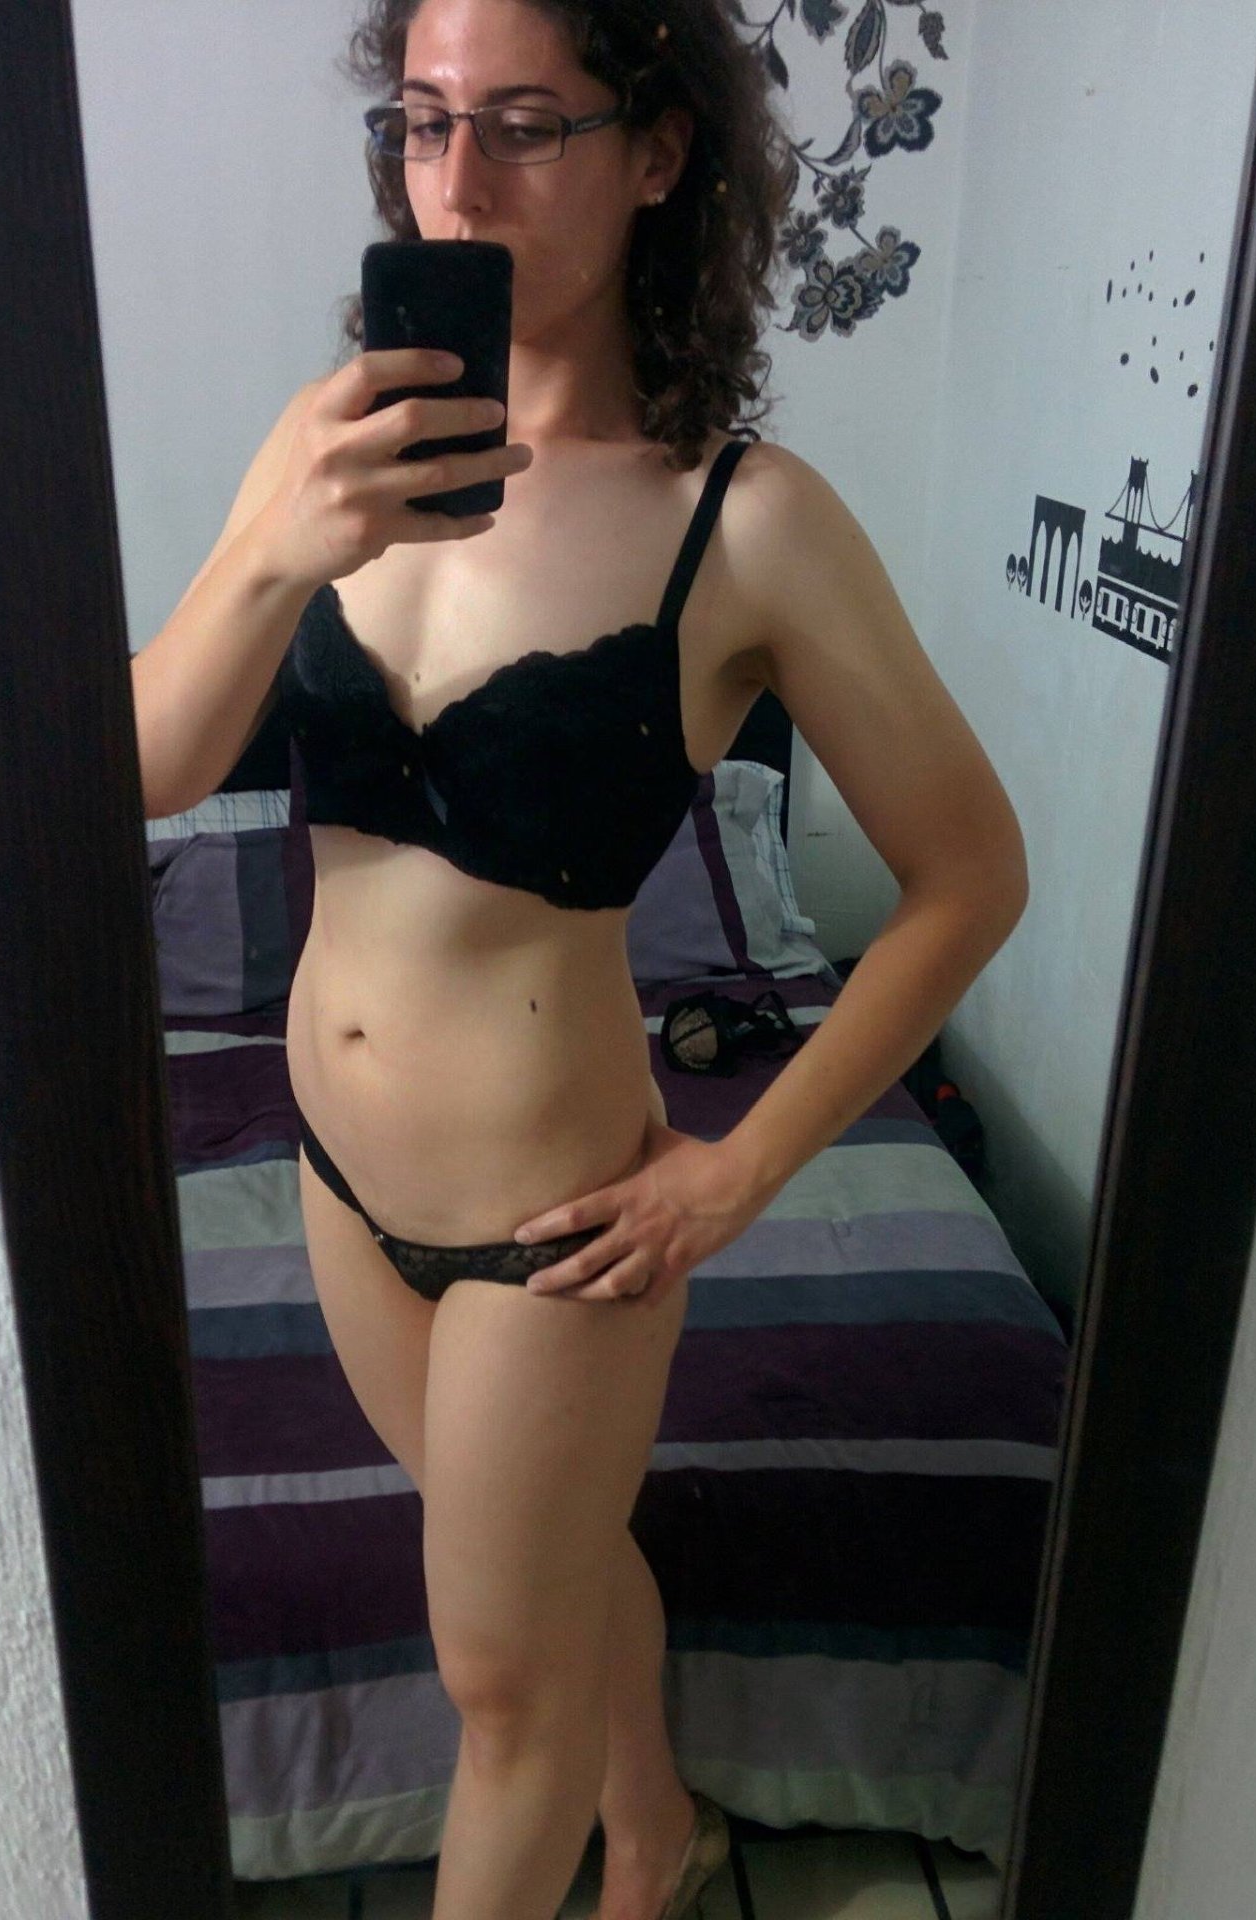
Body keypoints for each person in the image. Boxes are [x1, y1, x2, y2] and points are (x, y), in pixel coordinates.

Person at [130, 3, 1028, 1915]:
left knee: (499, 1686)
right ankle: (659, 1825)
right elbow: (148, 765)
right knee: (535, 1558)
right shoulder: (332, 442)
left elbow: (969, 876)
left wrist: (737, 1172)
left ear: (657, 153)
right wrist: (278, 551)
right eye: (421, 121)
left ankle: (624, 1843)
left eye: (524, 125)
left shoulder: (744, 523)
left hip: (552, 1227)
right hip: (335, 1173)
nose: (453, 185)